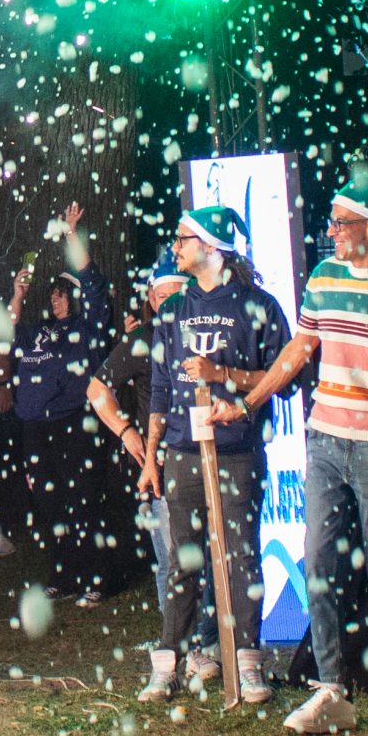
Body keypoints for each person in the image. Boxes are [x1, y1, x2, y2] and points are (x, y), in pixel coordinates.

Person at [232, 178, 368, 736]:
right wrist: (248, 403)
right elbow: (299, 351)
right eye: (330, 222)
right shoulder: (324, 279)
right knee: (320, 563)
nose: (330, 232)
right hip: (325, 440)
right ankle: (332, 689)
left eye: (340, 223)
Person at [136, 204, 291, 707]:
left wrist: (225, 378)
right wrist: (150, 457)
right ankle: (169, 664)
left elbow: (283, 380)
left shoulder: (258, 306)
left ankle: (246, 662)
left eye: (182, 239)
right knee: (183, 562)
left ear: (210, 247)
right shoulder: (171, 311)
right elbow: (160, 389)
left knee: (240, 557)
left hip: (237, 452)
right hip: (182, 450)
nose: (174, 247)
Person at [88, 256, 218, 670]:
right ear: (149, 299)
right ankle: (182, 647)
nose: (167, 303)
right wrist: (127, 433)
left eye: (175, 294)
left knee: (212, 558)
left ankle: (210, 643)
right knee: (173, 559)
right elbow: (96, 387)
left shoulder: (204, 330)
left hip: (212, 456)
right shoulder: (144, 339)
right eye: (159, 296)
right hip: (160, 467)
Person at [5, 205, 117, 601]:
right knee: (49, 504)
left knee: (81, 501)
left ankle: (95, 578)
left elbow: (93, 283)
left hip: (73, 425)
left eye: (62, 293)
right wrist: (18, 293)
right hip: (36, 429)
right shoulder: (40, 331)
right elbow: (10, 328)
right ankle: (64, 575)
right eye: (51, 293)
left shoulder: (88, 329)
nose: (55, 299)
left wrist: (72, 235)